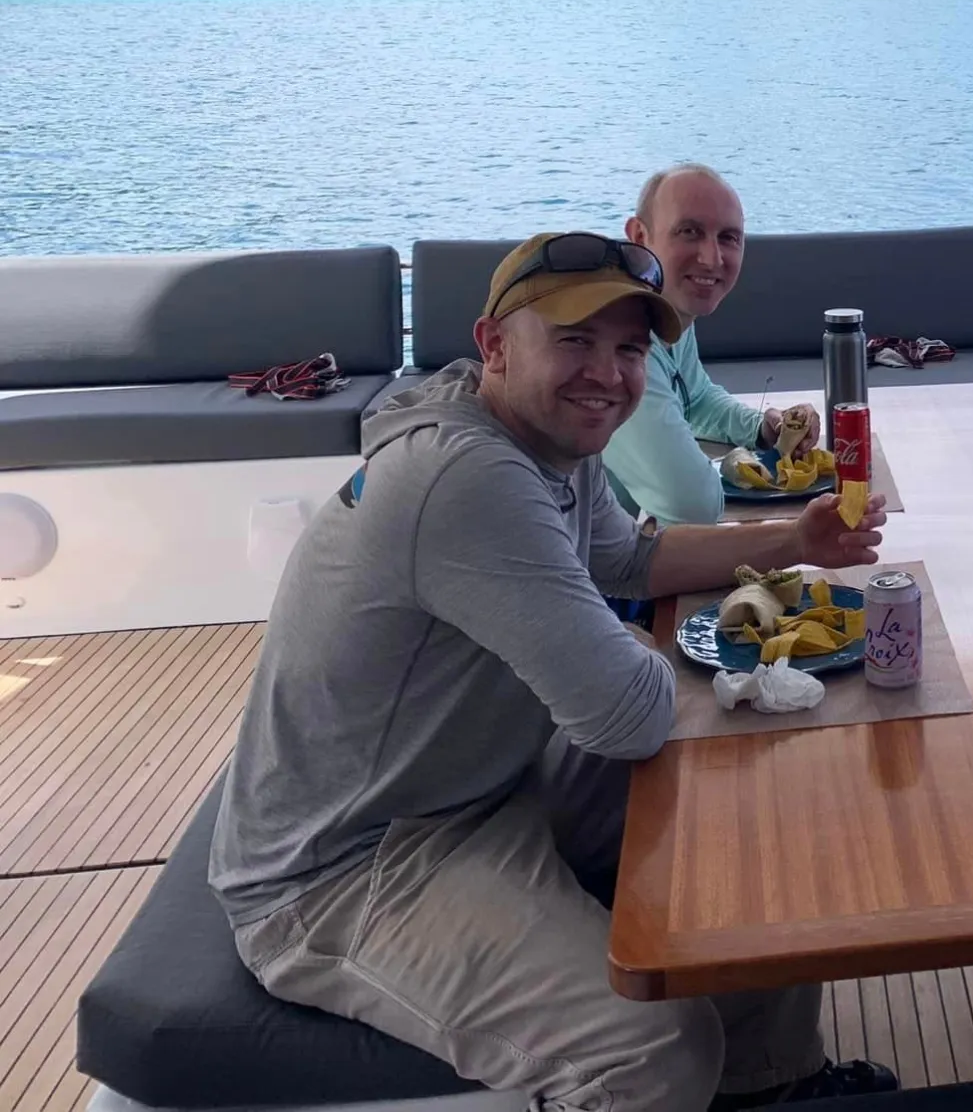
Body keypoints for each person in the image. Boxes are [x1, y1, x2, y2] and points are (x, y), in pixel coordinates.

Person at [209, 231, 897, 1111]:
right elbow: (629, 716)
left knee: (746, 809)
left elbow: (630, 561)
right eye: (573, 340)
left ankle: (768, 1083)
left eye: (627, 350)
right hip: (347, 866)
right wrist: (631, 656)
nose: (605, 374)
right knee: (654, 1055)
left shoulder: (544, 447)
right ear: (494, 344)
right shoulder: (466, 477)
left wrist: (794, 542)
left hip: (479, 785)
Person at [605, 163, 818, 525]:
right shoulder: (618, 342)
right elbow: (691, 504)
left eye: (728, 238)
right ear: (639, 237)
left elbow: (696, 398)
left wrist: (762, 429)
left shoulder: (666, 312)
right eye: (689, 232)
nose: (712, 258)